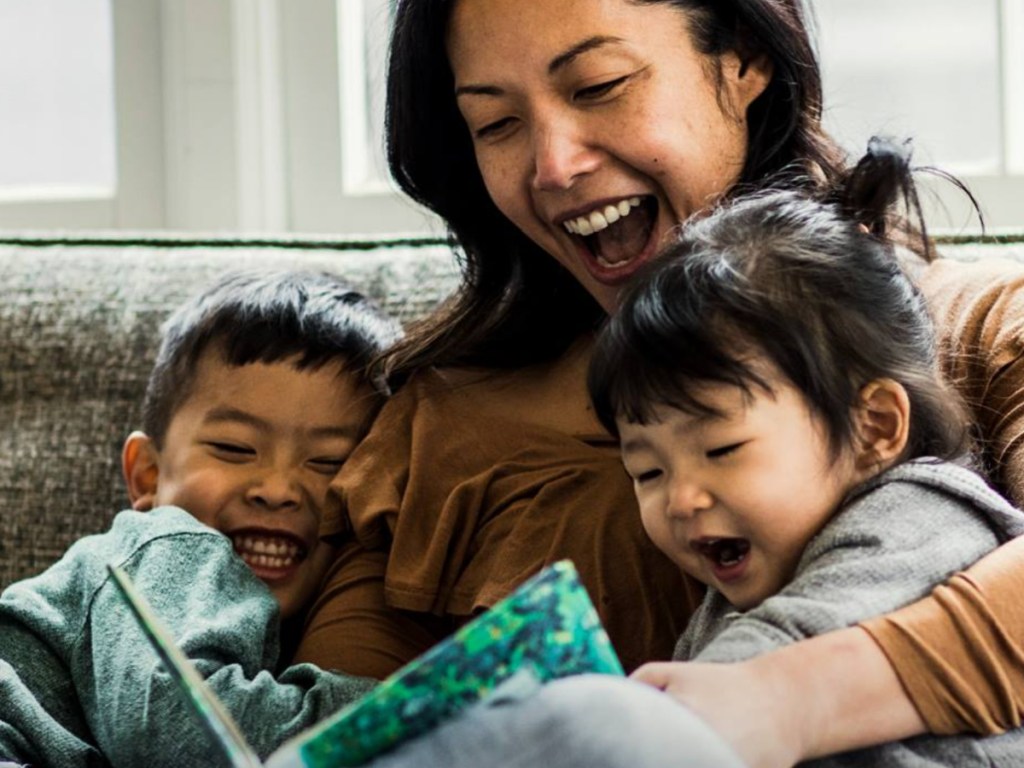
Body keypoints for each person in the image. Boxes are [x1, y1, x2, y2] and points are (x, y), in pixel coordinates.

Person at [295, 0, 1024, 764]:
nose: (554, 166)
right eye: (496, 125)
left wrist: (791, 698)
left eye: (598, 85)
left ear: (743, 60)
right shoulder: (441, 429)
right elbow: (330, 734)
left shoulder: (975, 332)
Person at [587, 140, 1024, 765]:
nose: (679, 498)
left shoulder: (917, 516)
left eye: (721, 448)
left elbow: (792, 640)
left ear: (874, 427)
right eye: (647, 470)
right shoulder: (734, 595)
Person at [0, 269, 400, 767]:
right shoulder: (165, 545)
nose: (277, 490)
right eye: (234, 448)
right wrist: (404, 709)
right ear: (147, 477)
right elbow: (183, 730)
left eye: (329, 462)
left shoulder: (324, 621)